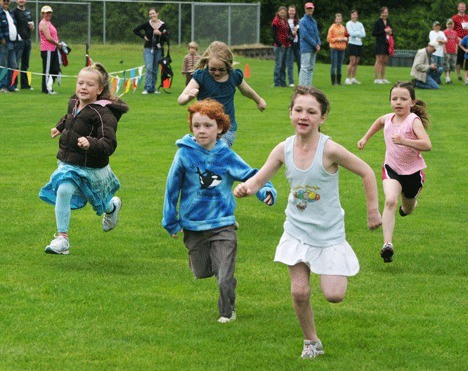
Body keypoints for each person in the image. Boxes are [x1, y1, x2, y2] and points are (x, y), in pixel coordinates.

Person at [234, 86, 382, 359]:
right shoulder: (283, 149)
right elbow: (260, 178)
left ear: (322, 118)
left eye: (311, 112)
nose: (304, 116)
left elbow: (366, 171)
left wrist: (373, 211)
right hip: (297, 230)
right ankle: (311, 341)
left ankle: (328, 265)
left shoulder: (330, 150)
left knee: (334, 295)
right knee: (300, 292)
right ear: (290, 113)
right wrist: (246, 188)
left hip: (328, 233)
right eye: (298, 110)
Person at [162, 99, 277, 323]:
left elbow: (250, 175)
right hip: (193, 225)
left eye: (208, 126)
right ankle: (216, 268)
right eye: (197, 126)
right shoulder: (184, 154)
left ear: (220, 128)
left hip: (222, 223)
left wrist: (266, 191)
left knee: (224, 276)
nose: (202, 131)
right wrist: (170, 220)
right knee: (202, 271)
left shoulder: (226, 156)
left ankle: (227, 311)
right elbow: (171, 187)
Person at [39, 63, 129, 255]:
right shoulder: (74, 103)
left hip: (92, 168)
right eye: (80, 83)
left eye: (89, 84)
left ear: (100, 90)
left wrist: (91, 143)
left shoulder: (104, 113)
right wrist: (60, 127)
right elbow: (70, 118)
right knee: (63, 190)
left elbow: (109, 144)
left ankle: (111, 207)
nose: (83, 87)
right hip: (69, 164)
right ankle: (62, 238)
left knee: (98, 201)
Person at [358, 81, 431, 263]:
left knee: (407, 207)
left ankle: (409, 207)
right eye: (394, 98)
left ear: (412, 102)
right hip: (391, 168)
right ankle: (387, 244)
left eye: (403, 99)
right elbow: (379, 122)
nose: (398, 102)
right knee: (390, 200)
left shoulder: (413, 121)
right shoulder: (388, 118)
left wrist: (405, 141)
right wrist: (365, 138)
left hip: (413, 172)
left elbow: (427, 145)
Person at [178, 41, 266, 147]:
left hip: (226, 129)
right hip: (204, 128)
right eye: (212, 69)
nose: (217, 73)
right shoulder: (201, 77)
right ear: (207, 63)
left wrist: (259, 100)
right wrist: (188, 97)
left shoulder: (234, 76)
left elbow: (246, 91)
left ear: (228, 65)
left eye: (221, 70)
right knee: (206, 156)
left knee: (215, 151)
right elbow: (180, 99)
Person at [133, 7, 168, 94]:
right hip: (148, 49)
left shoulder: (163, 25)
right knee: (149, 68)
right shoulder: (147, 24)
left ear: (157, 13)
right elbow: (135, 30)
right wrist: (143, 36)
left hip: (159, 49)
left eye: (153, 13)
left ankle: (153, 87)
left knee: (155, 69)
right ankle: (147, 87)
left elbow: (167, 37)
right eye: (150, 14)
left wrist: (160, 33)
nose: (152, 15)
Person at [39, 5, 61, 94]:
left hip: (53, 49)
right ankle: (46, 89)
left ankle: (49, 86)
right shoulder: (43, 23)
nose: (48, 14)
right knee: (47, 70)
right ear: (42, 14)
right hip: (47, 49)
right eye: (46, 13)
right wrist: (57, 44)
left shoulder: (48, 22)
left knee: (55, 68)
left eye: (50, 12)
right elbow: (48, 37)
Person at [12, 0, 33, 90]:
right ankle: (14, 84)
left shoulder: (28, 11)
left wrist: (32, 27)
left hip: (27, 40)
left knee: (25, 64)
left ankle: (25, 85)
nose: (21, 1)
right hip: (18, 41)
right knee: (16, 64)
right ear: (16, 1)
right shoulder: (13, 12)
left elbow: (31, 25)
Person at [299, 2, 321, 87]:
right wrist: (315, 44)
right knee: (304, 67)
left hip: (313, 47)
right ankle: (302, 85)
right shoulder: (302, 21)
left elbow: (316, 34)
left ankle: (308, 85)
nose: (309, 10)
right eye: (308, 8)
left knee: (311, 68)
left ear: (313, 9)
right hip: (306, 47)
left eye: (311, 8)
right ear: (305, 9)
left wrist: (319, 43)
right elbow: (305, 35)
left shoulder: (314, 21)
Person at [0, 0, 18, 93]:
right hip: (3, 43)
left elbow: (13, 26)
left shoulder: (10, 13)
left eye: (8, 0)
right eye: (4, 0)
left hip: (12, 42)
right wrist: (1, 38)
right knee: (3, 65)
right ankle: (2, 86)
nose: (6, 2)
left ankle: (11, 86)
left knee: (13, 65)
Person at [372, 7, 393, 84]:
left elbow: (392, 30)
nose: (385, 14)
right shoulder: (377, 22)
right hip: (380, 43)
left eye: (386, 12)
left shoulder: (388, 21)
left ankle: (383, 78)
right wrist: (384, 31)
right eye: (384, 12)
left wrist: (390, 32)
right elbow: (374, 33)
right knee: (379, 60)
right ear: (381, 13)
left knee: (384, 61)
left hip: (387, 43)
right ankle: (376, 78)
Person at [272, 6, 291, 87]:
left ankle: (283, 82)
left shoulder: (286, 21)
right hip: (279, 46)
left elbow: (289, 31)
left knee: (284, 65)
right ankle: (277, 82)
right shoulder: (275, 22)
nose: (282, 14)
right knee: (278, 65)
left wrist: (290, 37)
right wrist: (280, 44)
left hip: (286, 45)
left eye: (284, 13)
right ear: (278, 12)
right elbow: (273, 35)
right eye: (281, 13)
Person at [345, 9, 366, 85]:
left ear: (357, 15)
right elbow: (351, 33)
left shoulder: (360, 24)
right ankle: (347, 78)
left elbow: (364, 34)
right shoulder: (348, 23)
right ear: (351, 15)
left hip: (359, 44)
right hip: (352, 44)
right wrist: (358, 33)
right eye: (353, 14)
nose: (354, 16)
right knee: (352, 61)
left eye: (356, 14)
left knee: (356, 62)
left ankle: (353, 78)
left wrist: (356, 33)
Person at [327, 13, 347, 85]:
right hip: (334, 48)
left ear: (341, 20)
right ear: (335, 19)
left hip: (342, 48)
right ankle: (333, 82)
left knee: (340, 65)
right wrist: (337, 39)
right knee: (334, 65)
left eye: (340, 19)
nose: (338, 20)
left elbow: (346, 36)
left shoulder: (343, 27)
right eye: (337, 19)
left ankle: (339, 82)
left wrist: (345, 38)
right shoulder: (332, 27)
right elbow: (329, 38)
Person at [452, 2, 468, 82]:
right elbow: (452, 29)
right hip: (459, 40)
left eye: (463, 7)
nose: (462, 8)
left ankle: (466, 75)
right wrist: (458, 38)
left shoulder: (467, 17)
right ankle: (459, 76)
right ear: (458, 8)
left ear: (465, 8)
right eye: (461, 7)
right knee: (459, 58)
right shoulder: (454, 18)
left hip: (467, 40)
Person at [287, 5, 300, 87]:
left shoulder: (298, 21)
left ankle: (301, 81)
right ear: (288, 11)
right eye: (290, 10)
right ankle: (291, 81)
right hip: (289, 44)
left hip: (297, 43)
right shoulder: (286, 21)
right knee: (290, 63)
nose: (292, 12)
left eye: (293, 11)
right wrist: (292, 33)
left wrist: (297, 30)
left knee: (300, 62)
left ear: (295, 12)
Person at [443, 18, 459, 84]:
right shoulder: (444, 32)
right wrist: (445, 50)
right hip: (447, 51)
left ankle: (449, 77)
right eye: (448, 24)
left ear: (453, 25)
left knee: (452, 65)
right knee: (447, 64)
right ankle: (447, 78)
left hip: (453, 51)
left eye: (451, 24)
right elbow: (443, 42)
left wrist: (456, 50)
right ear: (446, 25)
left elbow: (456, 42)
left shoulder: (455, 32)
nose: (450, 25)